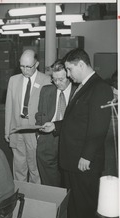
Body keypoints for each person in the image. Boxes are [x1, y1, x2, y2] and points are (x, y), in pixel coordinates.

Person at [40, 48, 113, 218]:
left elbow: (98, 127)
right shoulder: (83, 86)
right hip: (73, 160)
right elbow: (77, 121)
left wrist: (87, 156)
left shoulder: (99, 87)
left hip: (83, 162)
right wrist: (54, 126)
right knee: (76, 207)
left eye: (70, 70)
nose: (69, 75)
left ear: (81, 64)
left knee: (86, 209)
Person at [5, 49, 51, 183]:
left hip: (34, 129)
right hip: (16, 127)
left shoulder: (46, 80)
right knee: (19, 166)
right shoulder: (13, 80)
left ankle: (35, 198)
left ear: (36, 64)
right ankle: (20, 195)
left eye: (28, 67)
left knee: (35, 167)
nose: (24, 70)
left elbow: (48, 110)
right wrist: (7, 130)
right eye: (22, 66)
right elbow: (9, 107)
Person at [35, 59, 77, 187]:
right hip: (48, 140)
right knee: (50, 184)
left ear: (69, 75)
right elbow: (40, 114)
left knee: (69, 182)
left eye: (61, 79)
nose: (57, 83)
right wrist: (39, 135)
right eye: (54, 79)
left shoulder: (78, 92)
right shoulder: (46, 91)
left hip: (70, 140)